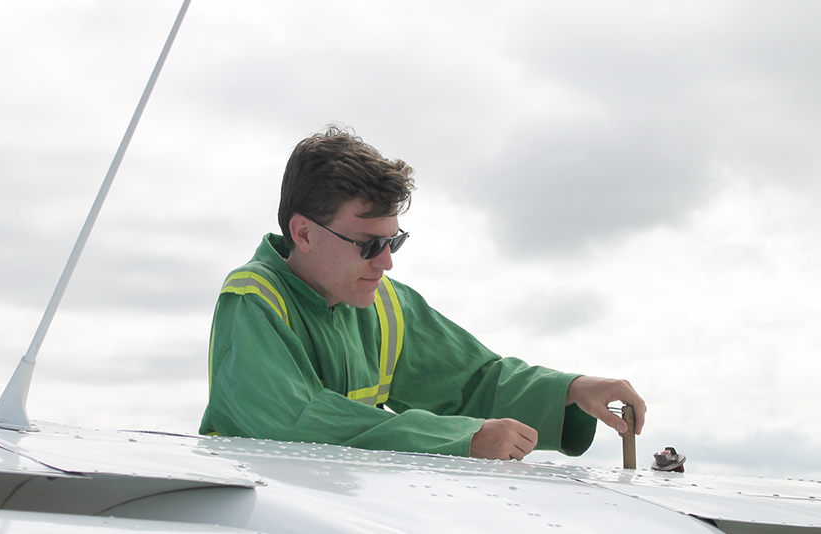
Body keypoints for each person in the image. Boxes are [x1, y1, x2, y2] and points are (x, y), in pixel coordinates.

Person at [199, 125, 645, 460]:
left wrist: (568, 390)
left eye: (395, 241)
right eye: (369, 244)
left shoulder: (385, 302)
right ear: (304, 233)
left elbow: (473, 382)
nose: (387, 261)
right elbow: (292, 422)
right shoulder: (253, 300)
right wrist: (459, 438)